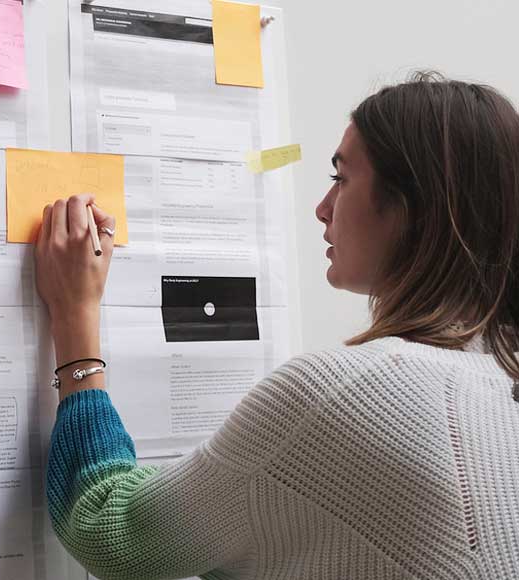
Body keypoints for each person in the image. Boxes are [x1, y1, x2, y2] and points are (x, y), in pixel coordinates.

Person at [34, 72, 519, 580]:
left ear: (408, 207)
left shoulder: (346, 393)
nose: (322, 208)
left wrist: (74, 314)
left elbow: (113, 529)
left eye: (341, 179)